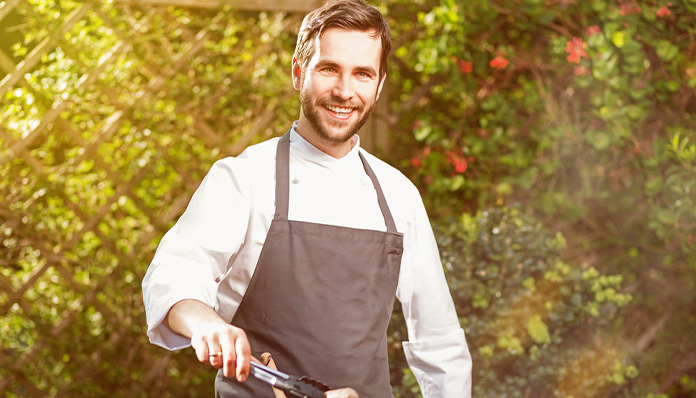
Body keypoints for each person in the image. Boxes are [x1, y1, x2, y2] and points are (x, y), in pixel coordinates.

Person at [142, 0, 472, 397]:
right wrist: (207, 324)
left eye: (362, 74)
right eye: (329, 69)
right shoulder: (244, 178)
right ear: (299, 73)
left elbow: (438, 342)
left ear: (379, 85)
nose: (345, 91)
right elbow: (173, 276)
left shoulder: (398, 195)